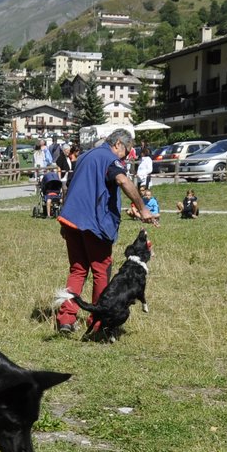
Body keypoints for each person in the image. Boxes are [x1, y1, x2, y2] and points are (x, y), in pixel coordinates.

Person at [52, 128, 157, 335]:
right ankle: (98, 321)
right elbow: (123, 181)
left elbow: (71, 187)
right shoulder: (110, 159)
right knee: (101, 271)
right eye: (126, 152)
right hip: (93, 223)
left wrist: (65, 219)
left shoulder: (84, 157)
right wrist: (143, 208)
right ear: (118, 143)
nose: (126, 158)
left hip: (71, 220)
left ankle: (66, 319)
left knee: (78, 269)